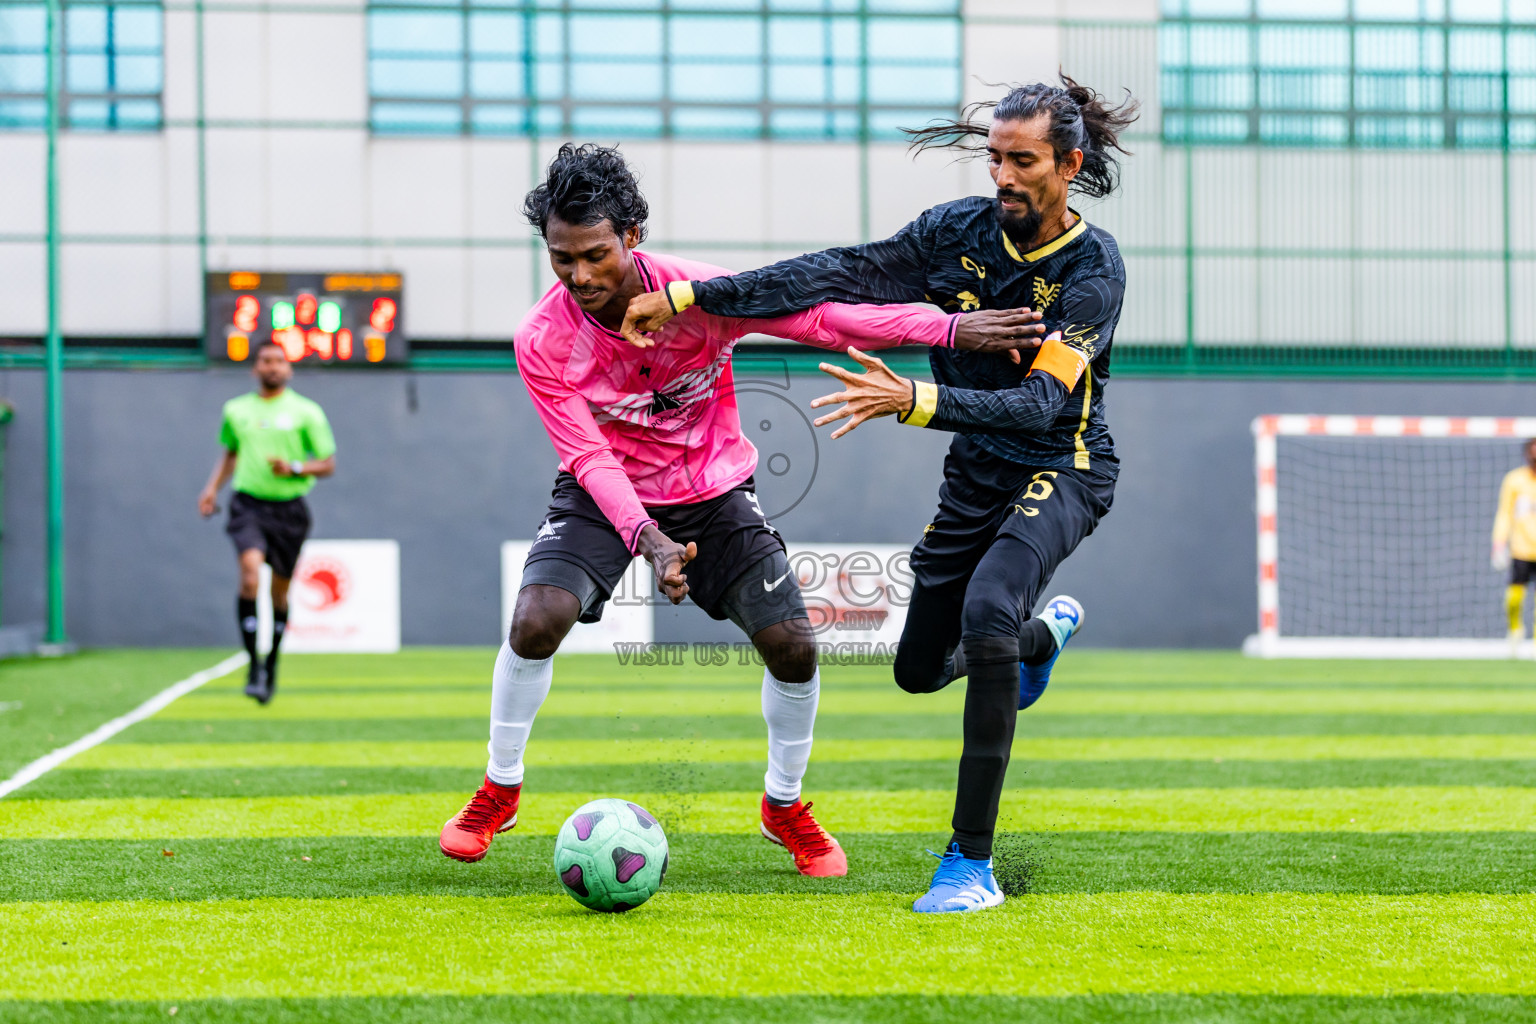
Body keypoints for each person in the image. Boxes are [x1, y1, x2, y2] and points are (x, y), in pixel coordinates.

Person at [437, 143, 1044, 873]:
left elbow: (823, 319)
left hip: (715, 493)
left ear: (633, 234)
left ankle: (782, 804)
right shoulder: (543, 338)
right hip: (604, 497)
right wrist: (647, 538)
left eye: (594, 253)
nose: (580, 275)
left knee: (793, 644)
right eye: (561, 258)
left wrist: (946, 328)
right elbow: (590, 457)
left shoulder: (701, 295)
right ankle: (500, 789)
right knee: (536, 620)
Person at [620, 77, 1137, 912]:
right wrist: (692, 294)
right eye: (996, 158)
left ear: (1069, 164)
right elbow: (840, 273)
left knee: (989, 612)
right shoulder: (953, 234)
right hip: (974, 473)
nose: (1003, 177)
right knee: (918, 671)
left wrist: (913, 400)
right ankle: (1039, 645)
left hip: (1063, 463)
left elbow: (1043, 404)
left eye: (1023, 161)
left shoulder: (1093, 269)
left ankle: (970, 866)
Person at [198, 341, 336, 704]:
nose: (272, 367)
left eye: (278, 361)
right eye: (265, 361)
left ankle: (271, 664)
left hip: (289, 510)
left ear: (288, 369)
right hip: (248, 505)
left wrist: (293, 467)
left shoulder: (307, 412)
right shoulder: (237, 410)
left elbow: (327, 463)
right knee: (249, 572)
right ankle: (253, 664)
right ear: (254, 368)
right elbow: (230, 452)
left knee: (279, 592)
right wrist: (211, 489)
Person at [1492, 438, 1536, 657]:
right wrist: (1498, 544)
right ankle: (1515, 630)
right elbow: (1504, 514)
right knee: (1514, 597)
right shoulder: (1515, 480)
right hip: (1522, 549)